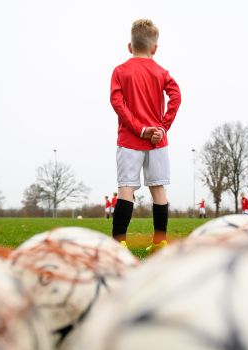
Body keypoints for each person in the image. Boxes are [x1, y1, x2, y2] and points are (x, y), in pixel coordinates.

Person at [110, 19, 181, 254]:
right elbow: (176, 97)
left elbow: (117, 103)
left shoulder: (120, 71)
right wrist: (162, 127)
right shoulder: (161, 72)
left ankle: (119, 243)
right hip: (158, 142)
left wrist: (139, 129)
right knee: (158, 189)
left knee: (126, 189)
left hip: (130, 140)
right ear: (155, 48)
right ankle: (160, 242)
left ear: (130, 46)